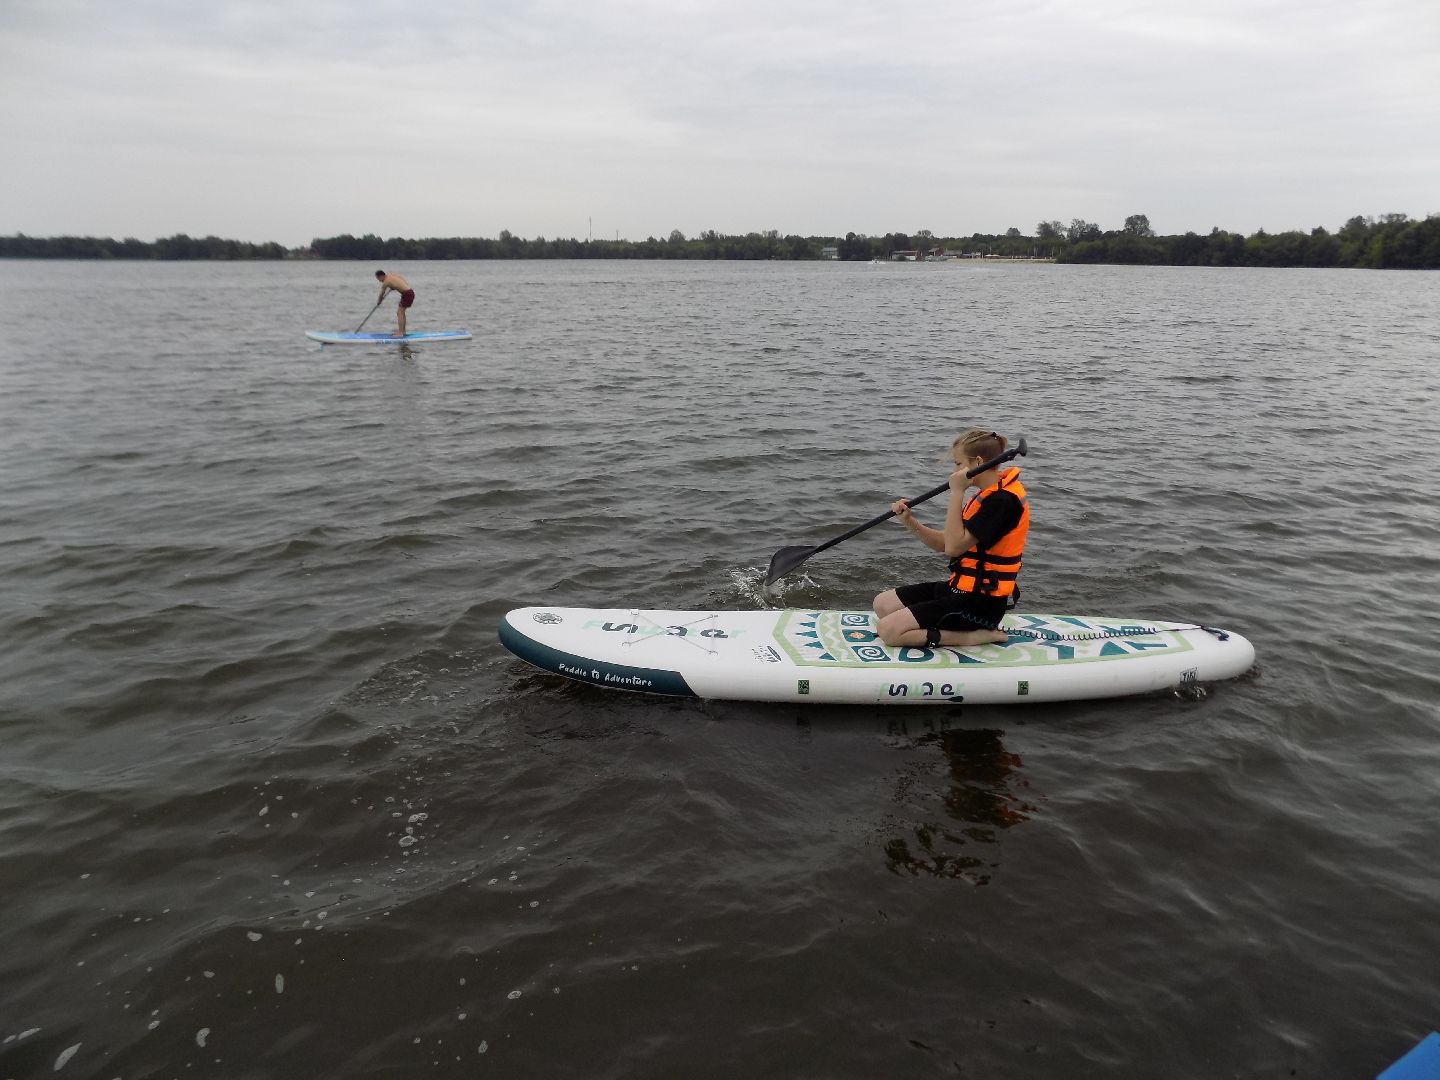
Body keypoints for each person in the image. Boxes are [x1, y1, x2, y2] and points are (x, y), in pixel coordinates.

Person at [872, 429, 1029, 649]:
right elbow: (946, 543)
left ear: (978, 463)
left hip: (980, 606)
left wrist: (956, 492)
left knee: (889, 631)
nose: (953, 471)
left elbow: (953, 548)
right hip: (958, 589)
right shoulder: (987, 495)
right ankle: (944, 628)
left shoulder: (1002, 501)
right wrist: (910, 522)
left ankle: (972, 637)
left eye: (957, 463)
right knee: (883, 604)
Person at [374, 270, 416, 336]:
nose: (379, 281)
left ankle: (401, 332)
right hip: (410, 292)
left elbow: (382, 293)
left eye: (378, 279)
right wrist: (394, 286)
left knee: (399, 313)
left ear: (381, 276)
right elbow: (401, 280)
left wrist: (379, 301)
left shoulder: (386, 282)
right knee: (401, 313)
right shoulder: (392, 275)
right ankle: (403, 331)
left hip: (407, 294)